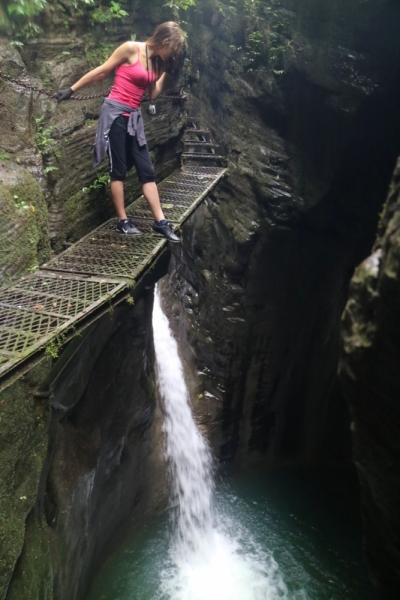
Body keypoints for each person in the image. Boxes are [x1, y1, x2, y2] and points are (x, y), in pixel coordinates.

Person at [56, 21, 184, 242]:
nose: (173, 54)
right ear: (165, 42)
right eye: (173, 49)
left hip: (134, 117)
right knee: (119, 169)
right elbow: (102, 72)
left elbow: (152, 94)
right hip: (115, 114)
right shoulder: (130, 48)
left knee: (147, 169)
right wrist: (72, 89)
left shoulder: (158, 64)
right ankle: (122, 221)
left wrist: (165, 73)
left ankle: (160, 222)